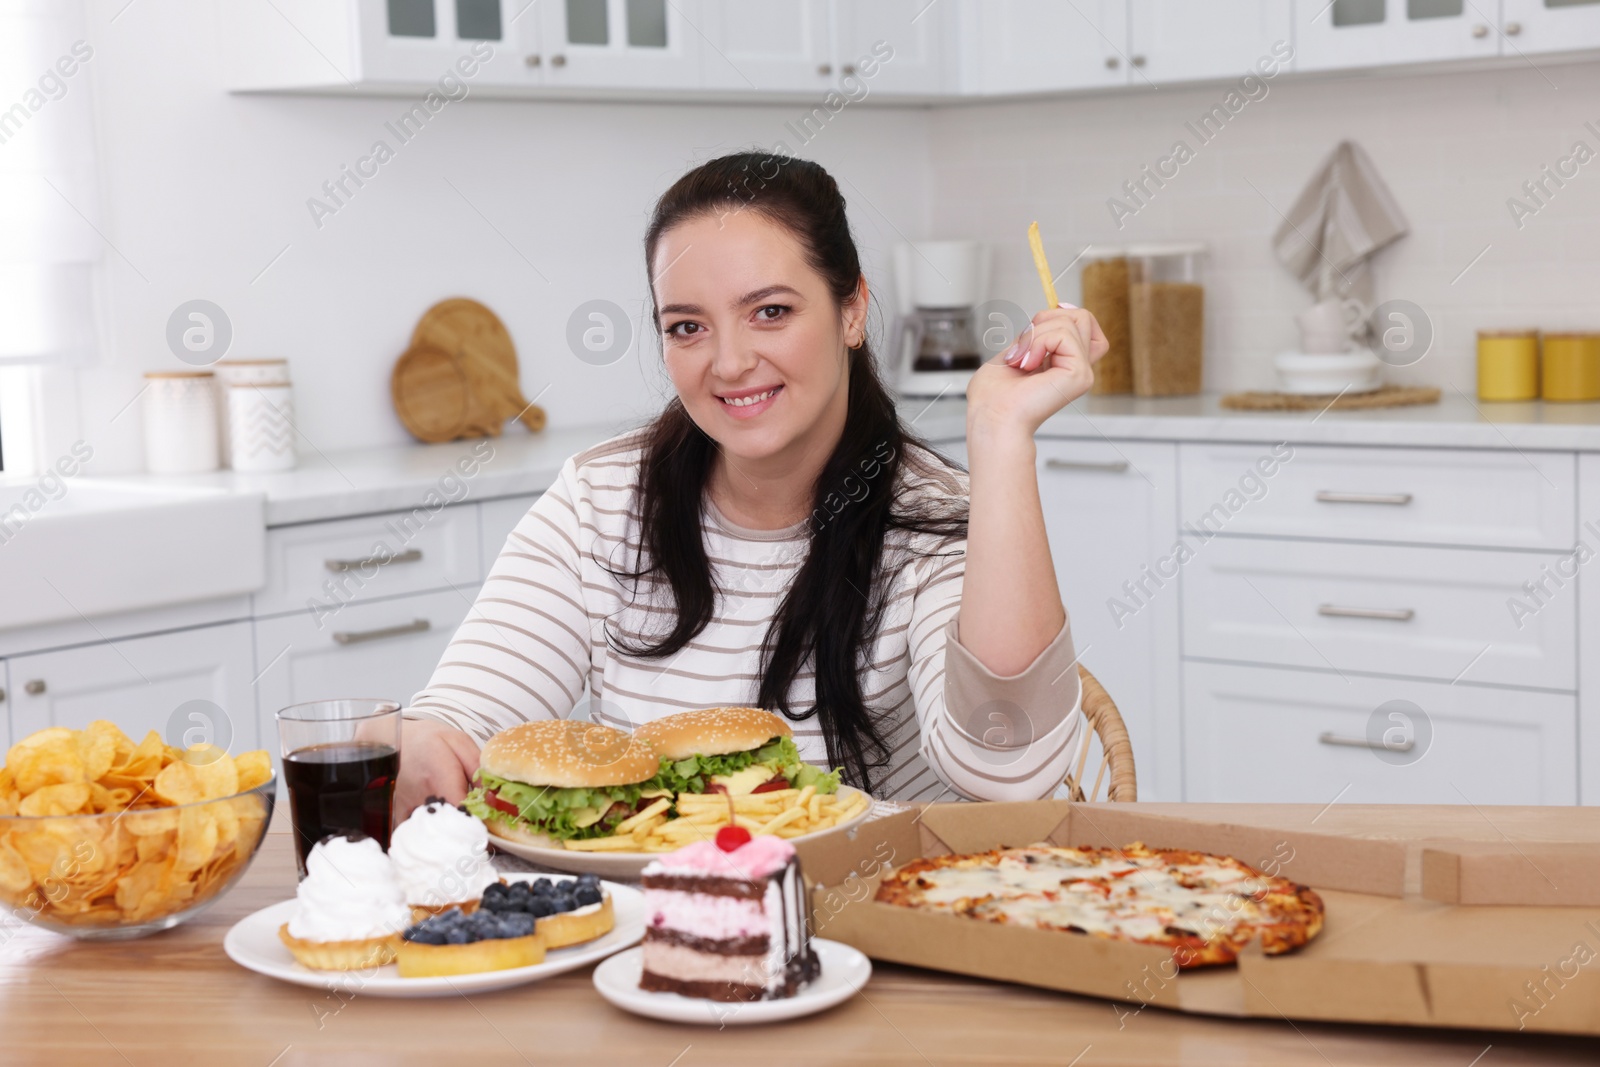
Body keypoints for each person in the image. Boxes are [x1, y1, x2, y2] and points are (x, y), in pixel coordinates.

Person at [396, 151, 1108, 815]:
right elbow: (464, 714)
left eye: (770, 311)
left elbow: (1009, 772)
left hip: (871, 926)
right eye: (686, 327)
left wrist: (1000, 435)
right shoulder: (601, 499)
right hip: (650, 924)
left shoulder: (930, 517)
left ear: (852, 309)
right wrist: (428, 736)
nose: (730, 363)